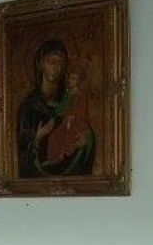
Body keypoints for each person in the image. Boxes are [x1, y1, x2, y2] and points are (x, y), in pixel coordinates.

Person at [16, 39, 95, 177]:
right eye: (51, 62)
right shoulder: (30, 106)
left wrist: (86, 138)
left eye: (60, 63)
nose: (56, 67)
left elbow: (83, 126)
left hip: (71, 170)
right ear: (41, 64)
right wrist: (38, 137)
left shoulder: (69, 99)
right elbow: (22, 151)